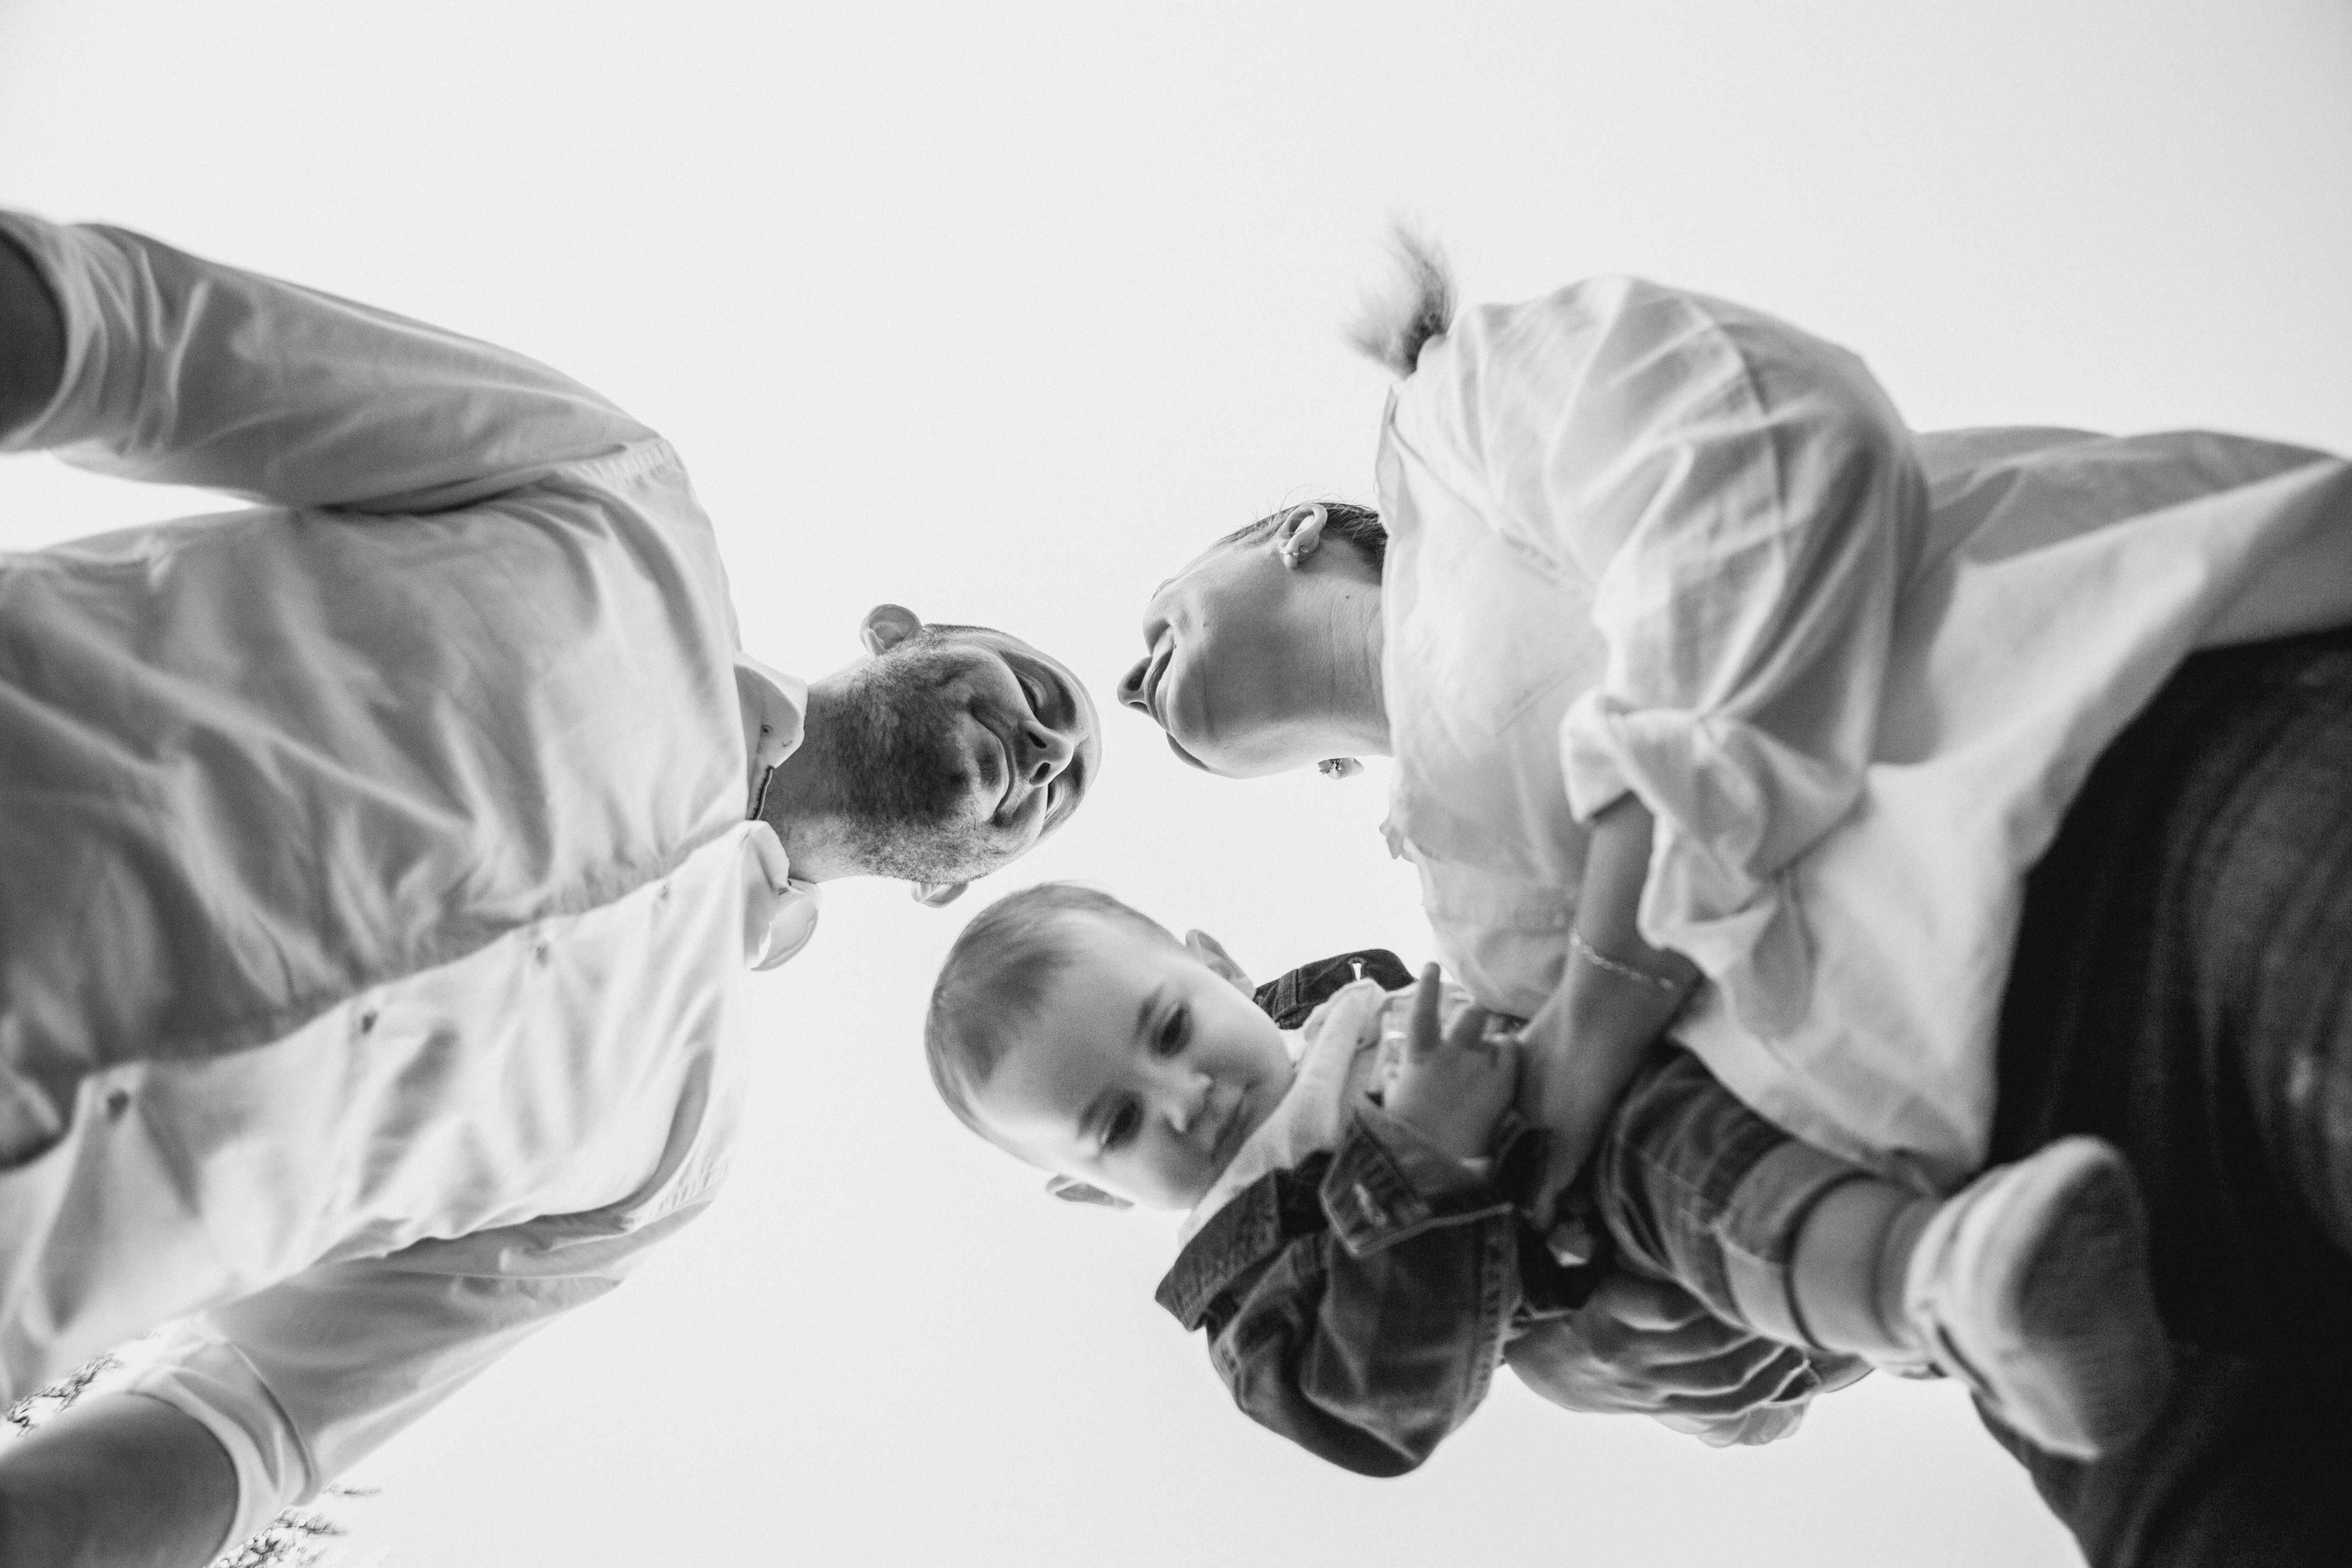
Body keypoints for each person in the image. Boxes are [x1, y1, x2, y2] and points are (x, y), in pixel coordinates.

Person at [1118, 238, 2352, 1562]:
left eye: (1152, 629)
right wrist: (1607, 1348)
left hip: (2144, 810)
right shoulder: (1456, 956)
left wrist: (1600, 1009)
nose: (1135, 688)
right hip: (2047, 1225)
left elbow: (1761, 473)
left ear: (1287, 534)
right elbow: (1695, 1207)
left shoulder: (1450, 426)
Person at [0, 211, 1098, 1565]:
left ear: (953, 889)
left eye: (1059, 792)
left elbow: (260, 1426)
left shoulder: (668, 1156)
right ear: (900, 633)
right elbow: (129, 344)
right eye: (1042, 699)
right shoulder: (613, 499)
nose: (1045, 753)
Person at [922, 881, 2172, 1472]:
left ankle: (2007, 1260)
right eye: (1117, 1125)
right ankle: (1957, 1288)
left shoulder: (1360, 1009)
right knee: (1645, 1153)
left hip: (1755, 1139)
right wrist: (1422, 1156)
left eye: (1172, 1030)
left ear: (1212, 962)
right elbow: (1371, 1409)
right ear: (1090, 1195)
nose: (1187, 1099)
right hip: (1639, 1252)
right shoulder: (1253, 1283)